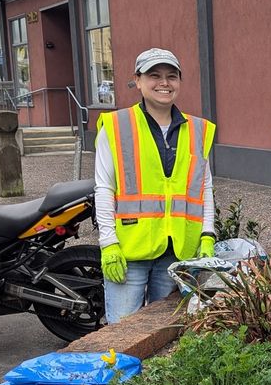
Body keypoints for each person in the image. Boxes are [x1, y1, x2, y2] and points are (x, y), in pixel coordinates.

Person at [93, 48, 219, 324]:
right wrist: (108, 244)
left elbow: (204, 188)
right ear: (137, 81)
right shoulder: (116, 126)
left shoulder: (198, 130)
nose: (164, 83)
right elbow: (103, 188)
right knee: (124, 331)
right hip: (130, 250)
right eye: (154, 75)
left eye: (171, 76)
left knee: (164, 327)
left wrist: (208, 234)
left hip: (177, 250)